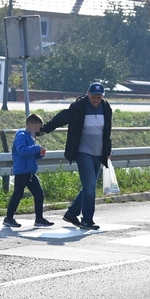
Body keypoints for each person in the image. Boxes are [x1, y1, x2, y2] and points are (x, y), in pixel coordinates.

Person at [40, 82, 112, 230]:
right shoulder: (79, 107)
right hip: (83, 152)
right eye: (94, 96)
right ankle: (87, 220)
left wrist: (108, 150)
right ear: (88, 94)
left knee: (88, 187)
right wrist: (44, 129)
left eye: (99, 97)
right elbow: (62, 118)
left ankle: (71, 214)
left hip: (99, 154)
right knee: (90, 187)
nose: (96, 100)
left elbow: (107, 132)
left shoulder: (106, 108)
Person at [4, 113, 53, 228]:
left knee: (39, 193)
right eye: (37, 127)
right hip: (21, 171)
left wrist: (39, 154)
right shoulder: (21, 136)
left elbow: (30, 154)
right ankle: (9, 218)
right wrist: (37, 148)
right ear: (30, 125)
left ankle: (39, 219)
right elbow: (22, 151)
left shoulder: (31, 138)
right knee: (18, 194)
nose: (38, 130)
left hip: (29, 171)